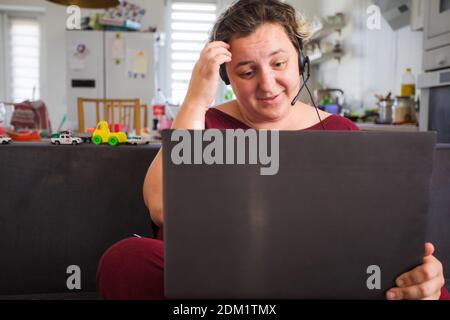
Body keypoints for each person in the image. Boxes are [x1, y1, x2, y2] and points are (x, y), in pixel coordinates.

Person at [97, 0, 447, 300]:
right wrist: (195, 100)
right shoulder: (205, 122)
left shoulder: (339, 132)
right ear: (227, 78)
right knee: (125, 259)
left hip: (313, 274)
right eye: (247, 71)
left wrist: (418, 273)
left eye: (278, 64)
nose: (267, 85)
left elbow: (378, 233)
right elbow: (160, 207)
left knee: (432, 286)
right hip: (219, 279)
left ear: (300, 62)